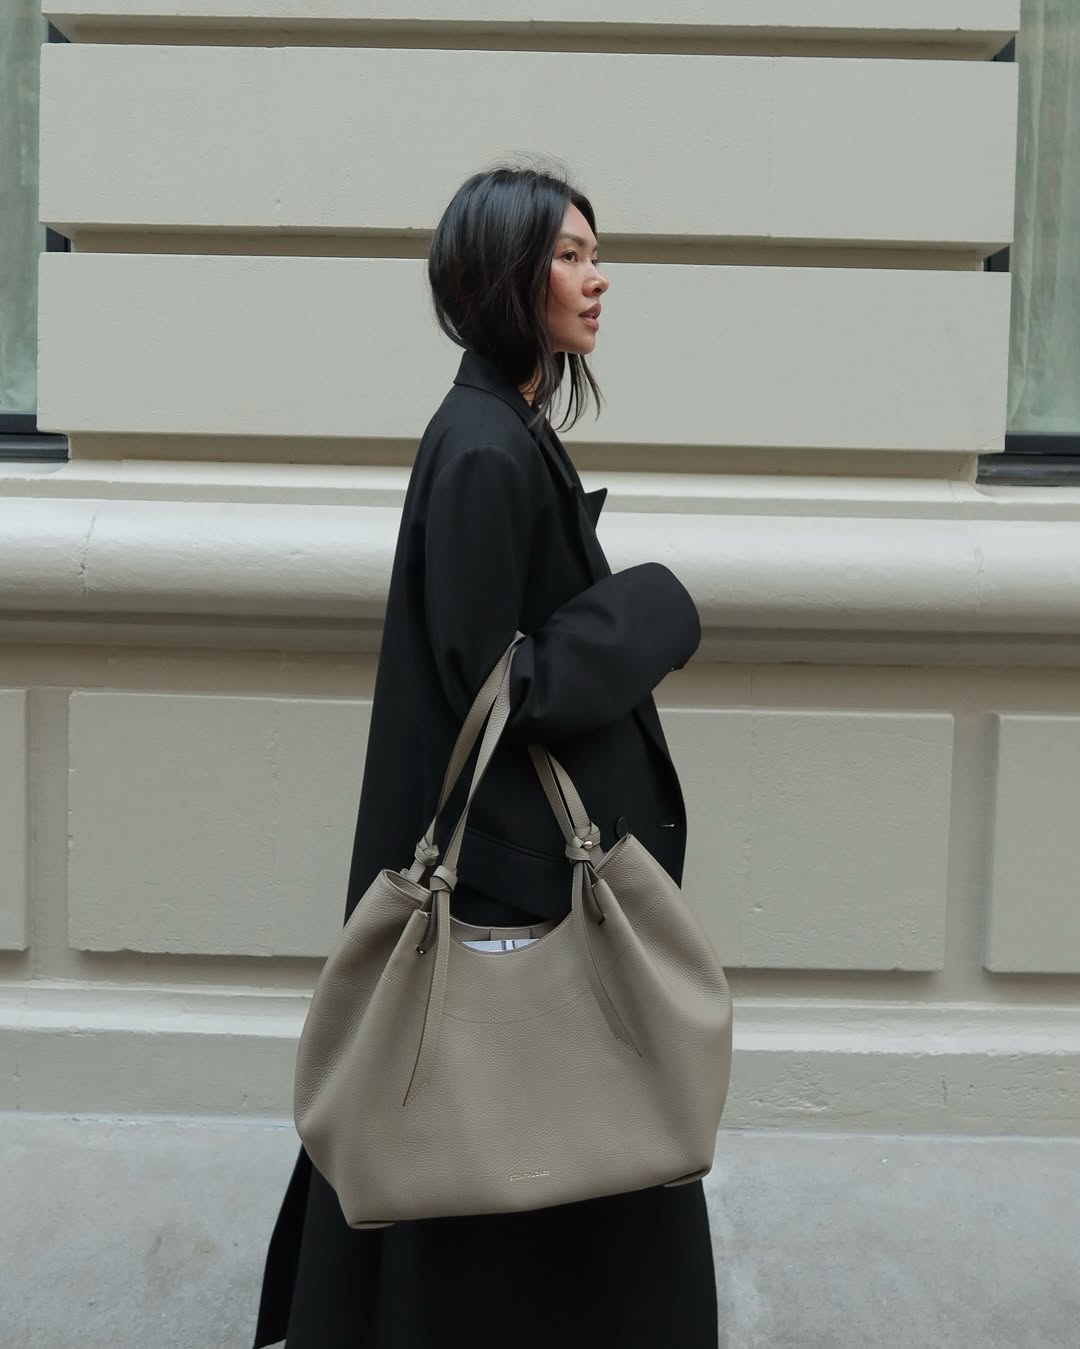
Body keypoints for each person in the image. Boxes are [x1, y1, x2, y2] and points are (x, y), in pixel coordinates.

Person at [252, 164, 717, 1349]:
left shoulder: (503, 428)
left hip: (520, 872)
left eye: (593, 250)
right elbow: (503, 687)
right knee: (517, 1139)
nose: (596, 276)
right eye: (567, 253)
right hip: (512, 881)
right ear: (504, 275)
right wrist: (653, 606)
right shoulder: (483, 448)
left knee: (514, 1147)